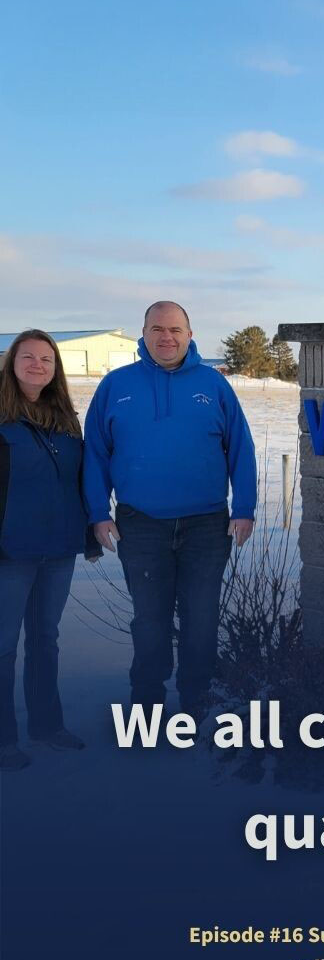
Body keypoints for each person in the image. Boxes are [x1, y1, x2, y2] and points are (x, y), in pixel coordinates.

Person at [82, 302, 257, 719]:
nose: (167, 337)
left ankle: (199, 704)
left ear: (190, 334)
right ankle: (147, 706)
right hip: (140, 526)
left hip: (206, 525)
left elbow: (241, 448)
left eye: (176, 329)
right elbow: (95, 454)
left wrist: (245, 506)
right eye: (157, 328)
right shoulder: (116, 386)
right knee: (150, 621)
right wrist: (97, 512)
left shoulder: (214, 385)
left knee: (201, 619)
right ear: (142, 333)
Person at [0, 330, 101, 770]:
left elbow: (79, 480)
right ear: (11, 362)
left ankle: (47, 726)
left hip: (58, 549)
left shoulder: (64, 418)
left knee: (45, 639)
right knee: (3, 646)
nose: (38, 365)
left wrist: (88, 534)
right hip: (10, 552)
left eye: (46, 358)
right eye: (28, 357)